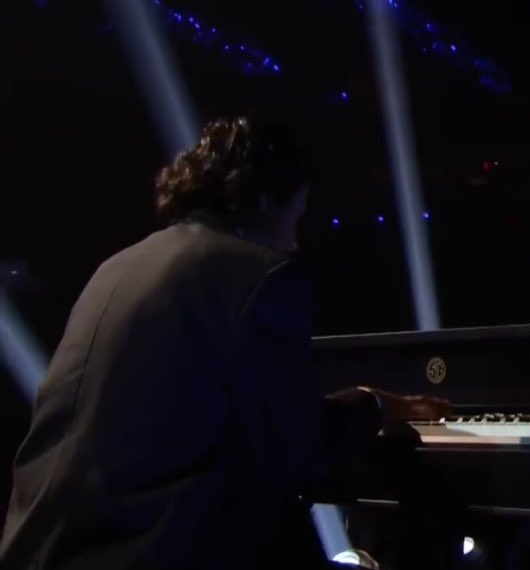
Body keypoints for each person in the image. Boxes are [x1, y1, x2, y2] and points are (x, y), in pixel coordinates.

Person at [0, 116, 449, 570]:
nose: (294, 242)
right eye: (295, 218)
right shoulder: (258, 276)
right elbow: (301, 450)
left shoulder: (116, 268)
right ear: (262, 201)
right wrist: (374, 405)